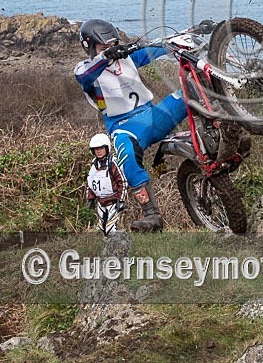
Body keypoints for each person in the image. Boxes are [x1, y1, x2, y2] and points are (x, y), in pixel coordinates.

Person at [74, 19, 188, 232]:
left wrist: (186, 35)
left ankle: (225, 132)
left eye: (113, 44)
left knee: (193, 92)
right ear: (90, 47)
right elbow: (85, 77)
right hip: (124, 127)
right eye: (103, 47)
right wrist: (106, 57)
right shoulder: (84, 69)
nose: (111, 49)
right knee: (125, 155)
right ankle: (152, 215)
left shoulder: (126, 59)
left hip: (154, 115)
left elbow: (156, 49)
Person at [85, 133, 127, 236]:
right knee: (101, 228)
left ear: (106, 148)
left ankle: (116, 249)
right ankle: (107, 247)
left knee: (110, 228)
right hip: (100, 202)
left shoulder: (113, 163)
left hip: (112, 201)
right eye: (96, 149)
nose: (98, 151)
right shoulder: (94, 165)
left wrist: (121, 200)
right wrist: (90, 198)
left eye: (101, 148)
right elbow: (91, 182)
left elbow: (123, 182)